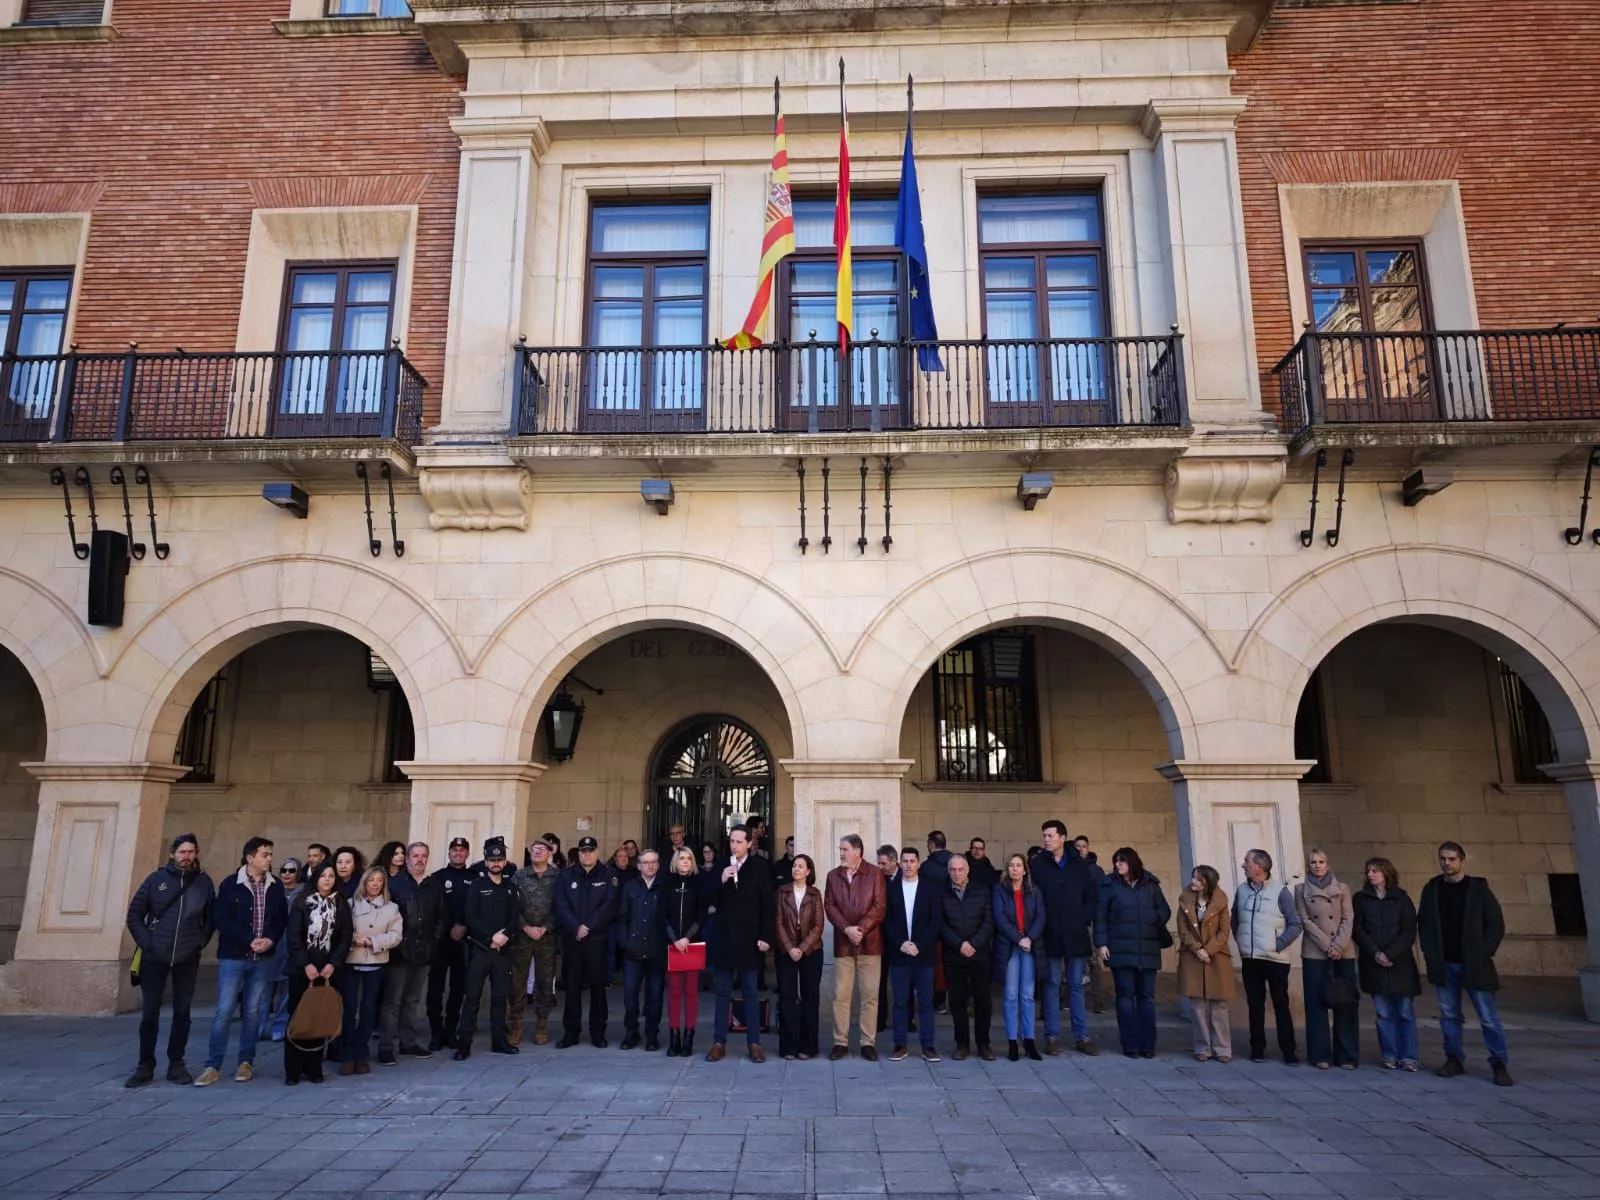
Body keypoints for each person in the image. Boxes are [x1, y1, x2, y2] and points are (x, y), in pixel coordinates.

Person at [124, 833, 216, 1088]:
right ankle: (145, 1065)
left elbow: (210, 917)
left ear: (196, 853)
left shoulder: (203, 883)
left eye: (190, 852)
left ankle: (177, 1063)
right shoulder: (156, 880)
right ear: (173, 854)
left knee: (182, 1012)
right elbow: (134, 915)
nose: (186, 856)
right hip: (155, 956)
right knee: (150, 1012)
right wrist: (148, 943)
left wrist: (200, 942)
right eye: (182, 852)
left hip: (187, 956)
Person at [1418, 841, 1512, 1085]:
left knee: (1487, 1016)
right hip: (1445, 962)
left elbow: (1495, 924)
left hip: (1474, 963)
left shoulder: (1478, 889)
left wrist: (1483, 952)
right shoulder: (1432, 889)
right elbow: (1425, 923)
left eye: (1451, 859)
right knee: (1449, 1015)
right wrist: (1430, 953)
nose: (1446, 863)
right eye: (1443, 859)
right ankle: (1454, 1058)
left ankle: (1499, 1061)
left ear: (1461, 860)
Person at [197, 836, 287, 1086]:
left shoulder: (275, 886)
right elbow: (222, 919)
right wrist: (249, 939)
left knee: (253, 1011)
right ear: (250, 858)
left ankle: (246, 1061)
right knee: (224, 1011)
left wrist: (270, 939)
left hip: (262, 958)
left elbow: (280, 918)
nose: (269, 859)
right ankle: (213, 1064)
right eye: (265, 854)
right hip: (234, 957)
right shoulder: (230, 884)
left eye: (270, 854)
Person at [1031, 820, 1100, 1057]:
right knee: (1051, 983)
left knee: (1076, 985)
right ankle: (1052, 1036)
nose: (1046, 839)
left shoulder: (1079, 865)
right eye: (1044, 835)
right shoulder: (1038, 864)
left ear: (1062, 837)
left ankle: (1082, 1036)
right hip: (1049, 933)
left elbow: (1091, 896)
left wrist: (1083, 917)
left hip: (1075, 933)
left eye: (1050, 835)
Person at [1095, 847, 1171, 1059]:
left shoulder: (1151, 885)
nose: (1117, 864)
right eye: (1115, 861)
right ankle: (1130, 1043)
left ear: (1132, 862)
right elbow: (1100, 915)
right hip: (1120, 950)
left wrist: (1153, 920)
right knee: (1125, 998)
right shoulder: (1109, 885)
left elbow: (1164, 910)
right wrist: (1101, 943)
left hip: (1147, 948)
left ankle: (1148, 1044)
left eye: (1122, 861)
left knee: (1146, 998)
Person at [706, 824, 774, 1062]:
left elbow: (768, 905)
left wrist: (766, 936)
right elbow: (707, 895)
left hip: (749, 940)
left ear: (748, 844)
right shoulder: (721, 865)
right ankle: (718, 1041)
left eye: (738, 841)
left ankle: (754, 1042)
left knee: (750, 991)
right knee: (722, 992)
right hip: (724, 939)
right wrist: (721, 878)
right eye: (731, 841)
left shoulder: (760, 867)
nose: (734, 845)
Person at [1231, 848, 1302, 1065]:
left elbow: (1295, 923)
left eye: (1247, 862)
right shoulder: (1242, 890)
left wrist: (1277, 944)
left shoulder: (1281, 892)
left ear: (1259, 867)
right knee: (1255, 1004)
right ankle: (1257, 1048)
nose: (1243, 865)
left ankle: (1288, 1050)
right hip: (1251, 958)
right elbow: (1235, 919)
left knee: (1281, 1004)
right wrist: (1242, 941)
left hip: (1275, 959)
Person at [284, 862, 352, 1085]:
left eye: (331, 876)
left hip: (327, 970)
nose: (327, 880)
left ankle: (314, 1068)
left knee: (318, 1019)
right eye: (323, 876)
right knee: (298, 1018)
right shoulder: (302, 902)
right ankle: (293, 1070)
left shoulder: (341, 904)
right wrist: (306, 964)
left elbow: (344, 936)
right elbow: (294, 936)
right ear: (315, 878)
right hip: (302, 969)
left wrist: (333, 964)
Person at [453, 836, 521, 1058]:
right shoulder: (477, 886)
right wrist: (492, 936)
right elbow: (471, 917)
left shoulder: (511, 888)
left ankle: (499, 1041)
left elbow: (514, 917)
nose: (496, 864)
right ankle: (464, 1044)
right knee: (472, 998)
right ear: (485, 862)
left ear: (504, 862)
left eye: (500, 859)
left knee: (500, 998)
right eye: (492, 860)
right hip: (481, 949)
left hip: (502, 951)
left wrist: (505, 936)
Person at [1352, 856, 1421, 1072]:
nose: (1371, 874)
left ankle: (1408, 1055)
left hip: (1399, 964)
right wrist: (1376, 952)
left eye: (1376, 870)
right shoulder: (1361, 899)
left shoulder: (1401, 899)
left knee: (1405, 1012)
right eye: (1369, 871)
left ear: (1387, 873)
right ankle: (1389, 1053)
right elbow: (1358, 929)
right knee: (1383, 1013)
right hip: (1373, 963)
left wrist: (1390, 953)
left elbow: (1409, 930)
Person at [824, 834, 886, 1061]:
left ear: (858, 851)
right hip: (844, 945)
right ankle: (840, 1041)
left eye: (845, 849)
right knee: (841, 995)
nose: (841, 853)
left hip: (869, 944)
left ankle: (867, 1042)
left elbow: (879, 907)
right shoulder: (833, 876)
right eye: (840, 849)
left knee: (870, 995)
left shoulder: (875, 873)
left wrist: (860, 929)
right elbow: (829, 907)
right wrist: (847, 929)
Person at [1296, 847, 1357, 1070]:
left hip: (1343, 951)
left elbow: (1349, 918)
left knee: (1346, 1002)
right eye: (1313, 862)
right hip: (1315, 951)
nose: (1317, 866)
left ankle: (1347, 1055)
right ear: (1308, 865)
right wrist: (1326, 945)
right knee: (1316, 1004)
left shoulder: (1342, 888)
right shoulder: (1300, 890)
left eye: (1321, 862)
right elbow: (1305, 920)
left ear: (1328, 864)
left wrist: (1338, 945)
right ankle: (1320, 1054)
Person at [555, 835, 619, 1048]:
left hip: (597, 939)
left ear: (597, 852)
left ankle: (598, 1032)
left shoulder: (609, 875)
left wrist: (588, 926)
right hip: (573, 940)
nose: (587, 854)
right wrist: (576, 927)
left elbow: (609, 905)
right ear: (578, 853)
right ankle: (571, 1031)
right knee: (572, 987)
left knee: (598, 987)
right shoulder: (565, 876)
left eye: (590, 851)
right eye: (583, 851)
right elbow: (561, 905)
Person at [379, 841, 439, 1063]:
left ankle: (408, 1043)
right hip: (399, 952)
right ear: (407, 859)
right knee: (392, 1001)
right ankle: (386, 1046)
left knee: (412, 1000)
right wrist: (398, 942)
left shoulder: (434, 885)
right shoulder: (395, 884)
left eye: (423, 855)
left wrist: (434, 941)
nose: (419, 859)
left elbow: (442, 915)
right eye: (415, 855)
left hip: (424, 952)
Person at [340, 865, 402, 1074]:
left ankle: (361, 1052)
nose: (375, 884)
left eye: (379, 881)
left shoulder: (391, 908)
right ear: (364, 882)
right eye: (371, 880)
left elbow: (395, 935)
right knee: (348, 1009)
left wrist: (371, 941)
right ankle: (347, 1053)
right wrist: (352, 940)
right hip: (351, 960)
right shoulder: (350, 905)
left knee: (368, 1009)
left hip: (375, 961)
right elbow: (338, 931)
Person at [882, 846, 942, 1062]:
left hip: (923, 954)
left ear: (918, 863)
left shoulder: (931, 888)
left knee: (926, 1001)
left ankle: (928, 1045)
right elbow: (886, 921)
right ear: (899, 863)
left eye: (912, 861)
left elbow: (935, 921)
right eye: (904, 861)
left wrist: (918, 944)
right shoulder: (891, 888)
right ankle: (900, 1045)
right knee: (899, 1001)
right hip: (899, 954)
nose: (908, 865)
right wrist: (901, 943)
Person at [1177, 864, 1234, 1063]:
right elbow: (1183, 930)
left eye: (1198, 879)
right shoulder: (1185, 900)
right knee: (1197, 1005)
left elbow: (1224, 931)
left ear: (1207, 883)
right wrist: (1197, 949)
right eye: (1193, 877)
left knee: (1219, 1004)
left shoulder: (1221, 901)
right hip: (1193, 956)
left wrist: (1208, 950)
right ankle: (1202, 1047)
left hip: (1216, 957)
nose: (1193, 881)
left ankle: (1223, 1048)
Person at [940, 853, 995, 1061]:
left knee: (983, 1000)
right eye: (952, 870)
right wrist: (959, 944)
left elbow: (989, 921)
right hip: (953, 954)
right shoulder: (942, 893)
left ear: (968, 870)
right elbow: (941, 923)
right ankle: (961, 1044)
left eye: (960, 869)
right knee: (956, 1001)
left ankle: (984, 1044)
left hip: (979, 953)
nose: (956, 873)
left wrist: (973, 943)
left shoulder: (982, 891)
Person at [508, 836, 560, 1047]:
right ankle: (516, 1026)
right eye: (534, 849)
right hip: (522, 936)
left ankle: (541, 1026)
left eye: (542, 849)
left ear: (550, 853)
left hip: (547, 937)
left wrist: (546, 927)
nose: (538, 852)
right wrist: (526, 927)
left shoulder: (558, 876)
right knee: (517, 983)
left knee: (545, 983)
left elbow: (562, 905)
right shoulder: (519, 875)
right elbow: (510, 903)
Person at [993, 852, 1044, 1062]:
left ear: (1025, 870)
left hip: (1030, 947)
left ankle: (1029, 1039)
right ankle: (1012, 1040)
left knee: (1028, 995)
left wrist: (1029, 937)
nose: (1015, 869)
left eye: (1019, 865)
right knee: (1011, 994)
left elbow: (1041, 917)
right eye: (1011, 865)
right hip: (1010, 947)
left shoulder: (1035, 891)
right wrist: (1018, 938)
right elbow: (1000, 918)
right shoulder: (999, 890)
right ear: (1008, 869)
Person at [427, 836, 475, 1051]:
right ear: (449, 853)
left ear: (467, 853)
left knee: (458, 988)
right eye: (454, 850)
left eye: (462, 850)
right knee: (435, 988)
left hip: (464, 942)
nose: (458, 853)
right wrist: (448, 928)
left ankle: (451, 1030)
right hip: (440, 941)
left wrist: (464, 926)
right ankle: (436, 1033)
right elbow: (433, 910)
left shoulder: (475, 878)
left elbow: (476, 908)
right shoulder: (436, 878)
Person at [619, 848, 669, 1051]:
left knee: (655, 996)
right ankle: (631, 1033)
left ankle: (651, 1035)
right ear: (638, 866)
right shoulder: (629, 887)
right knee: (630, 996)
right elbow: (622, 918)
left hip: (657, 951)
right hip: (633, 951)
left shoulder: (664, 887)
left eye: (654, 862)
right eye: (646, 862)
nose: (650, 865)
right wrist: (625, 943)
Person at [775, 852, 823, 1060]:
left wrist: (802, 948)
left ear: (808, 871)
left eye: (801, 866)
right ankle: (788, 1046)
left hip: (811, 951)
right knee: (787, 996)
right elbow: (777, 922)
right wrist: (789, 947)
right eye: (794, 865)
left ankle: (808, 1046)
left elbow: (819, 925)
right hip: (786, 951)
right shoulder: (782, 892)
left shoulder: (814, 894)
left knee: (810, 998)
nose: (796, 869)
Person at [664, 846, 705, 1057]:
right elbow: (662, 914)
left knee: (690, 993)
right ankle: (674, 1037)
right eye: (682, 858)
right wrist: (675, 939)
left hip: (693, 944)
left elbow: (701, 914)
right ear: (675, 861)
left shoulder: (698, 883)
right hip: (673, 945)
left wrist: (687, 938)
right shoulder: (667, 882)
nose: (685, 861)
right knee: (673, 993)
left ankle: (689, 1037)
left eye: (689, 858)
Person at [261, 856, 305, 1042]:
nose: (287, 874)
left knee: (287, 992)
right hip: (272, 942)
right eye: (284, 870)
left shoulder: (304, 892)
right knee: (264, 990)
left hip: (292, 944)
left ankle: (280, 1026)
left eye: (291, 870)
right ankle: (260, 1027)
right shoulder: (272, 889)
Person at [1073, 835, 1106, 1013]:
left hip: (1090, 922)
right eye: (1077, 846)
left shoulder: (1096, 871)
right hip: (1072, 921)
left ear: (1088, 848)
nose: (1080, 849)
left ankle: (1098, 1000)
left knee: (1093, 962)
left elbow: (1101, 898)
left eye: (1083, 846)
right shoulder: (1069, 868)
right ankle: (1066, 998)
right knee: (1069, 961)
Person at [874, 844, 901, 1035]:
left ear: (894, 861)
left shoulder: (907, 878)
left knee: (904, 982)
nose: (880, 867)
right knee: (879, 981)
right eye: (879, 863)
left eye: (883, 863)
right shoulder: (878, 879)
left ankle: (907, 1019)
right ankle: (880, 1019)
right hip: (882, 938)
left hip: (902, 939)